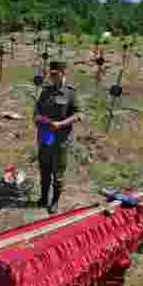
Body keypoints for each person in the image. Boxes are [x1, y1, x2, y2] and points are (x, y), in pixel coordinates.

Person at [32, 60, 83, 213]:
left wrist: (62, 124)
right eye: (51, 74)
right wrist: (36, 118)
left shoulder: (70, 92)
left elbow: (79, 114)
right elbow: (38, 109)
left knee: (58, 172)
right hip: (46, 136)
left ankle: (54, 202)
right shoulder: (46, 90)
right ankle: (43, 198)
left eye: (55, 74)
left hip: (60, 139)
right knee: (44, 168)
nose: (52, 77)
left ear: (63, 73)